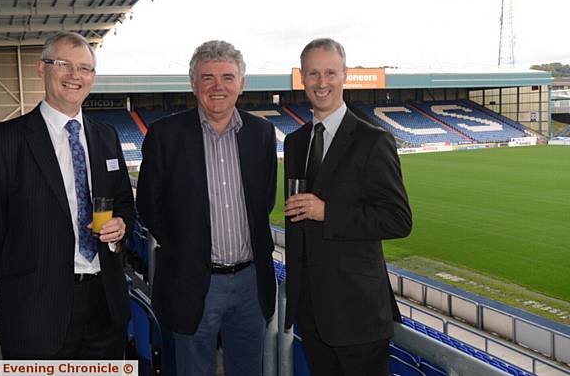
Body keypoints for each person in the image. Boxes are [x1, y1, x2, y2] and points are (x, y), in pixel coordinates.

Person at [0, 31, 134, 359]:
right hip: (35, 308)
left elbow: (124, 201)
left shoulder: (105, 136)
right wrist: (25, 271)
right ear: (42, 69)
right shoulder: (3, 141)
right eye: (64, 65)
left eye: (85, 68)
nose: (75, 75)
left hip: (105, 304)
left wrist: (121, 224)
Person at [137, 40, 277, 376]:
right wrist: (186, 250)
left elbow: (265, 200)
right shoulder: (165, 135)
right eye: (208, 77)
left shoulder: (261, 133)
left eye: (228, 77)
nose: (218, 87)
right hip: (193, 281)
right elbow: (149, 205)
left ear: (241, 83)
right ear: (193, 84)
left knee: (248, 370)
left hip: (249, 282)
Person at [283, 38, 412, 375]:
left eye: (329, 72)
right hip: (311, 311)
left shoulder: (374, 140)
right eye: (313, 73)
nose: (321, 82)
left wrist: (328, 213)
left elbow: (398, 220)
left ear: (344, 77)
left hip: (358, 315)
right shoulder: (295, 142)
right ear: (302, 79)